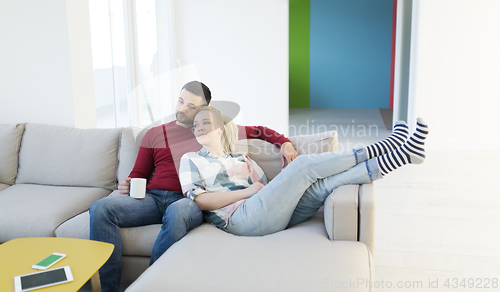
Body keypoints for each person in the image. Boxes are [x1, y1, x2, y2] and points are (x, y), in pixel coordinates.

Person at [89, 81, 299, 292]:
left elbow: (259, 131)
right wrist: (127, 185)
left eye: (191, 106)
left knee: (177, 210)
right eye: (181, 101)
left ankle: (149, 285)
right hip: (152, 199)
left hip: (187, 201)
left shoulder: (208, 130)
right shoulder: (153, 134)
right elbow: (138, 175)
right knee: (101, 208)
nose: (182, 109)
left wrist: (285, 142)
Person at [179, 106, 428, 236]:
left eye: (206, 123)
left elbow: (265, 189)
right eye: (196, 126)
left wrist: (282, 184)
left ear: (221, 128)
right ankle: (384, 145)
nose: (199, 128)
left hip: (266, 211)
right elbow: (200, 201)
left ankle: (404, 155)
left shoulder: (242, 158)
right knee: (303, 166)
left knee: (324, 186)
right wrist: (248, 191)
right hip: (239, 220)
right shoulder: (190, 159)